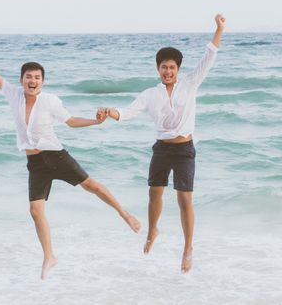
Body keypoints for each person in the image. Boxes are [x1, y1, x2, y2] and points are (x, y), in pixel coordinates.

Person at [0, 34, 140, 280]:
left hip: (55, 156)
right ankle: (49, 256)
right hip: (35, 164)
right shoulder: (14, 95)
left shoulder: (49, 101)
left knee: (91, 186)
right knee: (35, 211)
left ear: (42, 82)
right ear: (21, 80)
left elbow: (71, 121)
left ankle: (124, 213)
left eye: (37, 78)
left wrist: (95, 121)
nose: (32, 81)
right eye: (28, 77)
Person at [97, 14, 226, 273]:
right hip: (162, 149)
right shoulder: (150, 94)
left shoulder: (190, 84)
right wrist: (112, 111)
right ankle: (153, 230)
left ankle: (188, 248)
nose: (168, 71)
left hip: (184, 149)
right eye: (164, 67)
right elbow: (129, 112)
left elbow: (209, 57)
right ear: (158, 69)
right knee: (154, 194)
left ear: (178, 69)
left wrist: (219, 29)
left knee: (184, 200)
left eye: (172, 68)